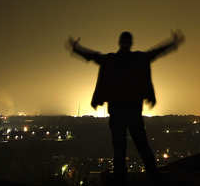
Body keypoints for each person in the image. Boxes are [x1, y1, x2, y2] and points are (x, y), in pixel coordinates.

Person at [67, 30, 185, 185]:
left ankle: (120, 181)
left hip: (117, 112)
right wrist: (173, 43)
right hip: (133, 111)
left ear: (120, 43)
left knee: (119, 150)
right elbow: (156, 52)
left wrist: (76, 49)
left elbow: (92, 56)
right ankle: (155, 178)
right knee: (142, 146)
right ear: (130, 43)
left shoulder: (111, 60)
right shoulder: (139, 59)